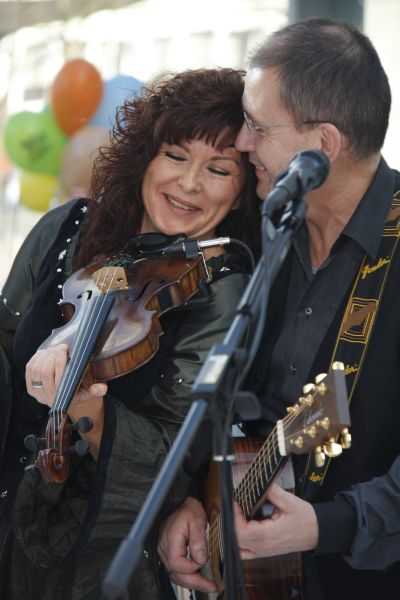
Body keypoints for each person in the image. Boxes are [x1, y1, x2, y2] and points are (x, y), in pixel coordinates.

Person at [158, 18, 400, 600]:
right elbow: (229, 410)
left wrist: (326, 525)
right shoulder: (270, 232)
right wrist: (192, 498)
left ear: (324, 146)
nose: (242, 144)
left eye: (257, 127)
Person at [0, 67, 260, 600]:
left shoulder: (221, 291)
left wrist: (80, 407)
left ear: (240, 194)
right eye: (175, 155)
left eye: (218, 168)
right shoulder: (67, 227)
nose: (188, 183)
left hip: (100, 565)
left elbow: (169, 457)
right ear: (145, 155)